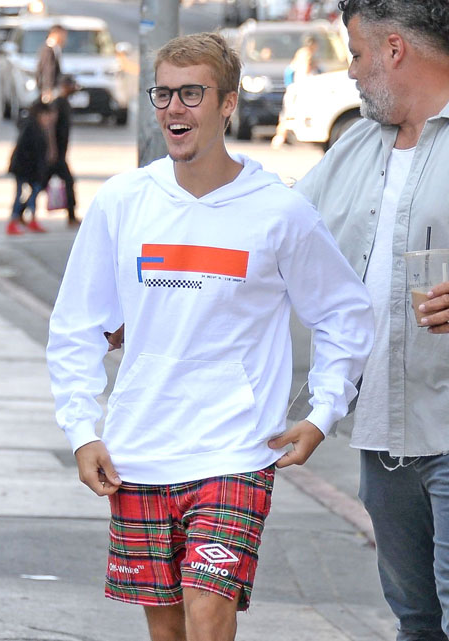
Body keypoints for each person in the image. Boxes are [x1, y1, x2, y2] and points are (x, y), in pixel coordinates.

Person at [46, 32, 373, 641]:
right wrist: (81, 429)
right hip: (140, 450)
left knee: (208, 609)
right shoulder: (123, 202)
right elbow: (77, 325)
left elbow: (342, 313)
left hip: (235, 451)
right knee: (168, 631)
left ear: (227, 104)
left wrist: (323, 412)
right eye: (164, 93)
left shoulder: (279, 212)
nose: (175, 108)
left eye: (192, 93)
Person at [293, 1, 449, 639]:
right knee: (416, 621)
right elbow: (271, 239)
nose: (352, 72)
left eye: (356, 54)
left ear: (394, 49)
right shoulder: (358, 143)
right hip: (383, 439)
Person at [7, 100, 57, 235]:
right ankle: (14, 221)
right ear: (40, 114)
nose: (48, 119)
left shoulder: (39, 128)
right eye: (47, 116)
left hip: (31, 169)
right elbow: (25, 151)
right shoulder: (31, 128)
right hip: (24, 169)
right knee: (20, 194)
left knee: (33, 193)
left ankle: (31, 219)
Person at [43, 74, 79, 227]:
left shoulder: (65, 103)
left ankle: (71, 215)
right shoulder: (58, 103)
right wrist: (52, 149)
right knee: (41, 184)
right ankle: (19, 213)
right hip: (56, 155)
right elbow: (50, 127)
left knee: (42, 184)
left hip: (60, 154)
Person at [272, 35, 320, 148]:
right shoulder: (306, 55)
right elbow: (304, 72)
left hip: (293, 87)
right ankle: (279, 139)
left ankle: (282, 138)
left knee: (288, 114)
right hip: (298, 89)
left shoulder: (301, 53)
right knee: (289, 114)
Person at [36, 24, 68, 104]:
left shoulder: (55, 49)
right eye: (63, 35)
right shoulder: (48, 50)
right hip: (50, 92)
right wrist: (47, 89)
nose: (64, 39)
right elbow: (47, 70)